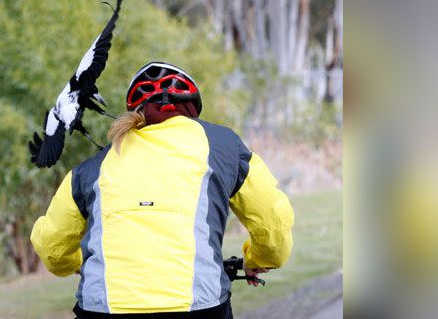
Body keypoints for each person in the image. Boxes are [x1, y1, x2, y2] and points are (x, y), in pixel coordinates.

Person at [31, 62, 294, 318]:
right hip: (199, 308)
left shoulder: (91, 169)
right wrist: (257, 259)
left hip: (104, 310)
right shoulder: (224, 146)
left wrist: (78, 263)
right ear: (191, 109)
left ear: (138, 113)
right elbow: (273, 224)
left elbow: (51, 247)